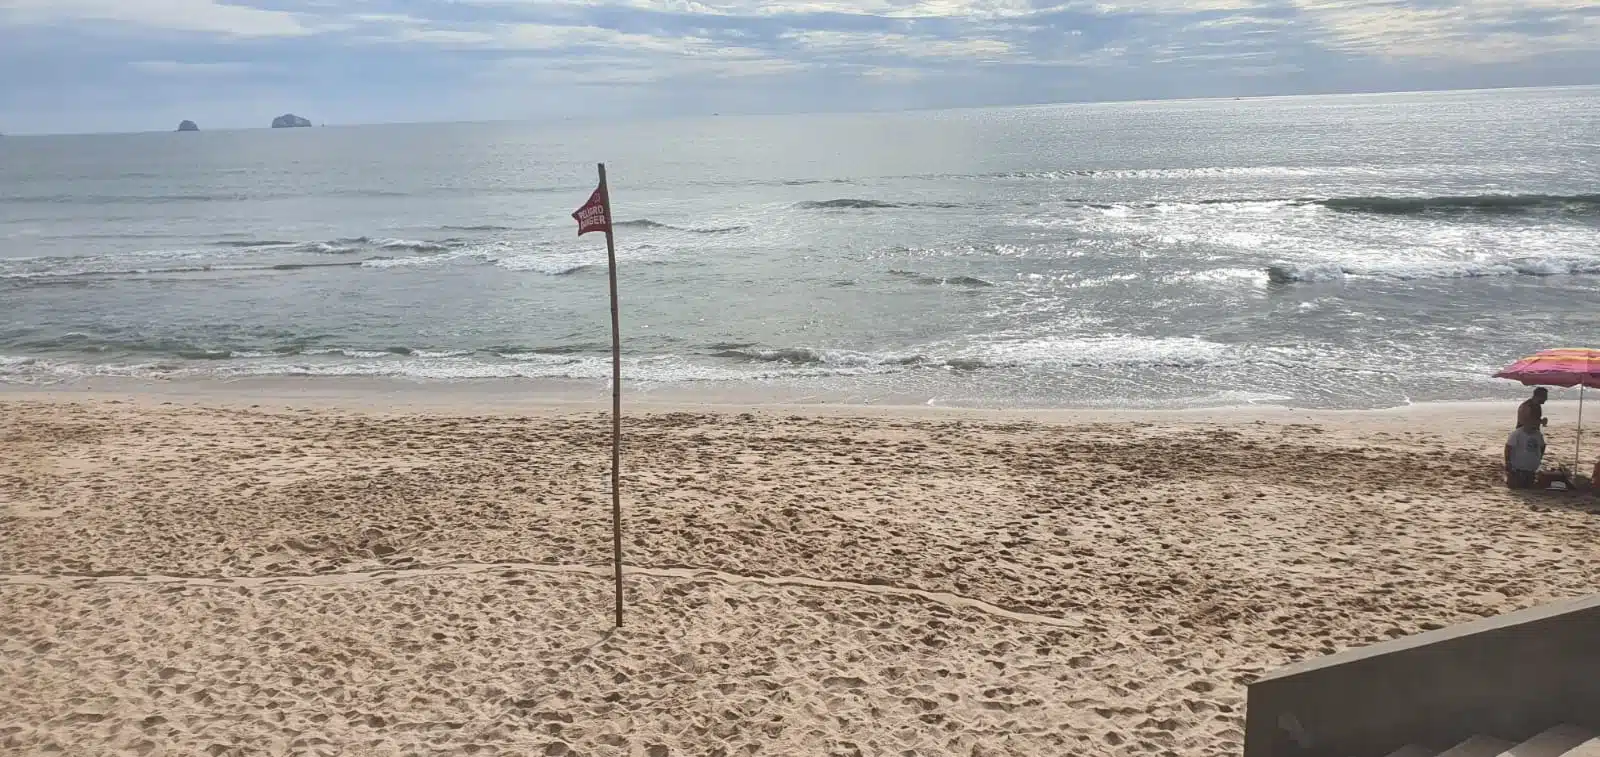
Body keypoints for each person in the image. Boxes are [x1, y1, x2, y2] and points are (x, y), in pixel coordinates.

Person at [1504, 420, 1546, 490]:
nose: (1535, 426)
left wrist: (1539, 458)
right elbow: (1508, 448)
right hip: (1517, 469)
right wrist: (1508, 462)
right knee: (1517, 489)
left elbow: (1542, 446)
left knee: (1528, 489)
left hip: (1531, 470)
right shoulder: (1517, 434)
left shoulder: (1538, 434)